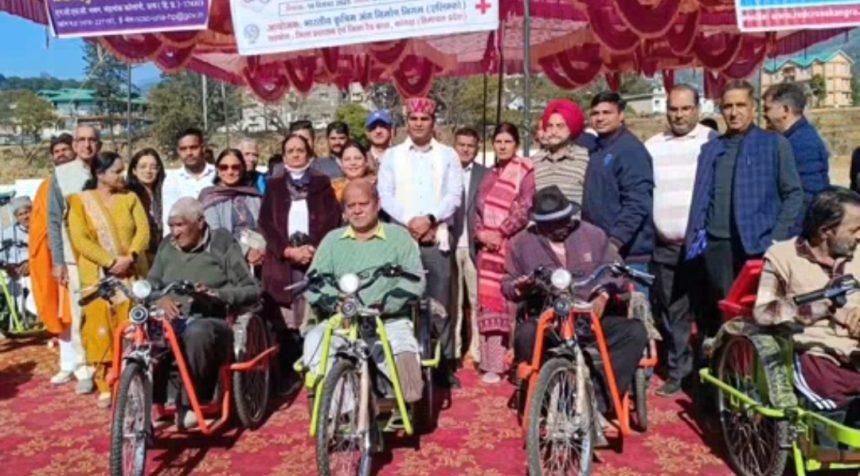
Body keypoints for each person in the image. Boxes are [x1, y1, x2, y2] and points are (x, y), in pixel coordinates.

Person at [506, 186, 647, 442]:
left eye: (563, 221)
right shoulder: (521, 244)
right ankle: (544, 399)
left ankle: (598, 403)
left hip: (590, 318)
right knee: (526, 334)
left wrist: (602, 295)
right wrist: (521, 286)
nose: (560, 228)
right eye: (551, 224)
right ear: (539, 224)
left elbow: (616, 270)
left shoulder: (593, 235)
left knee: (634, 332)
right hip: (549, 320)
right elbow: (508, 284)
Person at [302, 181, 426, 403]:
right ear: (344, 211)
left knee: (406, 367)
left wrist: (386, 303)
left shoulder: (399, 237)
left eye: (363, 204)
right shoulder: (332, 240)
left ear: (377, 205)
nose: (357, 210)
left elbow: (415, 281)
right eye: (351, 206)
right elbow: (313, 281)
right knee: (314, 343)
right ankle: (345, 410)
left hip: (388, 320)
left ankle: (403, 399)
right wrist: (335, 301)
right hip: (343, 320)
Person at [685, 80, 804, 306]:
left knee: (758, 308)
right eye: (727, 106)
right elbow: (701, 197)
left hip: (757, 245)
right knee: (724, 308)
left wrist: (776, 237)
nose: (733, 112)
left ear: (753, 107)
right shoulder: (710, 149)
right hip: (718, 246)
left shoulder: (773, 144)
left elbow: (793, 194)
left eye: (740, 105)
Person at [149, 198, 260, 428]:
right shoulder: (167, 245)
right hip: (170, 319)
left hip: (213, 321)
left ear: (200, 223)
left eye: (180, 225)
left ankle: (193, 402)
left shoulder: (221, 243)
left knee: (197, 332)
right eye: (171, 226)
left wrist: (217, 295)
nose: (175, 232)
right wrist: (159, 297)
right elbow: (150, 283)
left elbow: (251, 289)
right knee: (140, 332)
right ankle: (149, 400)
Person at [378, 96, 464, 388]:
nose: (418, 124)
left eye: (424, 119)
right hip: (402, 239)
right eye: (413, 119)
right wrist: (410, 221)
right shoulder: (392, 156)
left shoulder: (448, 155)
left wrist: (429, 219)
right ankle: (405, 362)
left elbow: (453, 195)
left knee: (440, 303)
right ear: (406, 122)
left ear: (433, 122)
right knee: (401, 301)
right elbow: (385, 195)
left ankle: (443, 366)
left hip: (435, 237)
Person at [754, 188, 860, 418]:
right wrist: (824, 307)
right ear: (825, 231)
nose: (859, 236)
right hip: (816, 355)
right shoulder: (782, 256)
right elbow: (764, 312)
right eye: (854, 230)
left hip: (855, 350)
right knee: (832, 399)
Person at [644, 84, 717, 397]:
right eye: (673, 109)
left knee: (707, 312)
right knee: (673, 313)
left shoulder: (712, 141)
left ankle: (708, 375)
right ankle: (679, 373)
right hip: (666, 247)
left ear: (697, 109)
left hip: (703, 248)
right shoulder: (653, 146)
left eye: (685, 109)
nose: (679, 115)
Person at [68, 151, 150, 407]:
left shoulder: (130, 198)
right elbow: (80, 239)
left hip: (131, 272)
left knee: (131, 324)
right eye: (116, 171)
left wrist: (130, 256)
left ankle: (131, 378)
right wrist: (110, 262)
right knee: (99, 324)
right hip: (98, 276)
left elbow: (143, 231)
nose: (122, 176)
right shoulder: (80, 202)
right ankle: (105, 382)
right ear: (100, 174)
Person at [259, 134, 341, 388]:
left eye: (300, 150)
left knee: (313, 314)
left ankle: (316, 369)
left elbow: (332, 218)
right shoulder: (274, 185)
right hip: (282, 261)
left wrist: (313, 249)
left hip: (315, 257)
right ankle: (287, 375)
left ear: (309, 154)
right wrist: (286, 251)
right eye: (290, 151)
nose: (295, 155)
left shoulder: (321, 183)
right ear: (283, 156)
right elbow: (266, 223)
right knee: (285, 321)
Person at [474, 122, 535, 384]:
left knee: (513, 303)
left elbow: (526, 207)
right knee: (489, 304)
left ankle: (517, 361)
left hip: (512, 246)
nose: (502, 146)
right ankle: (493, 364)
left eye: (507, 142)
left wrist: (501, 232)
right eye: (498, 141)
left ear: (516, 145)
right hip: (487, 249)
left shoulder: (524, 171)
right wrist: (481, 234)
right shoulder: (489, 175)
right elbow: (478, 210)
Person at [47, 125, 101, 393]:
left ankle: (111, 364)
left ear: (99, 144)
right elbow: (54, 220)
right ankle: (84, 368)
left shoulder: (108, 168)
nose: (87, 145)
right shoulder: (62, 175)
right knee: (81, 314)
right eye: (81, 140)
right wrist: (58, 261)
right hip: (75, 256)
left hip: (109, 254)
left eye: (92, 140)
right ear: (75, 144)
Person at [583, 91, 655, 281]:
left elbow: (638, 202)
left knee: (631, 300)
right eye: (595, 113)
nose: (600, 118)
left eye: (607, 112)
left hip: (627, 255)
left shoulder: (630, 150)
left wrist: (616, 240)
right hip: (599, 251)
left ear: (621, 115)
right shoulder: (598, 148)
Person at [29, 135, 75, 373]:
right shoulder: (45, 187)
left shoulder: (85, 179)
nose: (61, 154)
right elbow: (39, 228)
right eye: (56, 151)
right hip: (55, 258)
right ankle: (68, 364)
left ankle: (91, 365)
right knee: (61, 311)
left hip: (82, 254)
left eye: (65, 149)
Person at [763, 82, 830, 217]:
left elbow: (808, 195)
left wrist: (787, 228)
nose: (765, 115)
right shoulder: (791, 139)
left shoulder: (803, 143)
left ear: (785, 110)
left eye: (767, 109)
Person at [451, 127, 488, 365]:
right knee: (453, 302)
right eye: (461, 145)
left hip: (475, 247)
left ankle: (476, 352)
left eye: (470, 146)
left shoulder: (485, 174)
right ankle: (453, 352)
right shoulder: (444, 170)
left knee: (476, 302)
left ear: (477, 148)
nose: (465, 149)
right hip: (450, 245)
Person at [198, 149, 264, 268]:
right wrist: (246, 251)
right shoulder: (210, 197)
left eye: (235, 167)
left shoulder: (254, 196)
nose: (230, 171)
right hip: (226, 264)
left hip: (260, 260)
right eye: (224, 167)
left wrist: (261, 250)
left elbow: (266, 228)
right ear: (218, 170)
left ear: (242, 169)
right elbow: (215, 236)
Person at [530, 99, 590, 205]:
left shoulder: (586, 158)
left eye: (560, 126)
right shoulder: (535, 161)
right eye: (550, 126)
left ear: (571, 127)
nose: (554, 131)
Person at [161, 127, 217, 234]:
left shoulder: (217, 173)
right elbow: (168, 217)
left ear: (203, 148)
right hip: (185, 239)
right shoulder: (172, 180)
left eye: (193, 147)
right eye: (183, 149)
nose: (189, 153)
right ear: (178, 151)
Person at [127, 148, 166, 263]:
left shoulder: (165, 193)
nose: (148, 171)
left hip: (162, 254)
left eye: (153, 167)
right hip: (138, 256)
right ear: (134, 170)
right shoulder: (128, 196)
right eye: (143, 167)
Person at [1, 196, 33, 322]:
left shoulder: (43, 228)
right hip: (15, 276)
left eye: (27, 212)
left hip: (38, 274)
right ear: (16, 217)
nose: (25, 217)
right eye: (20, 214)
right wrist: (8, 267)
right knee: (18, 310)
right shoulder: (6, 233)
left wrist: (31, 264)